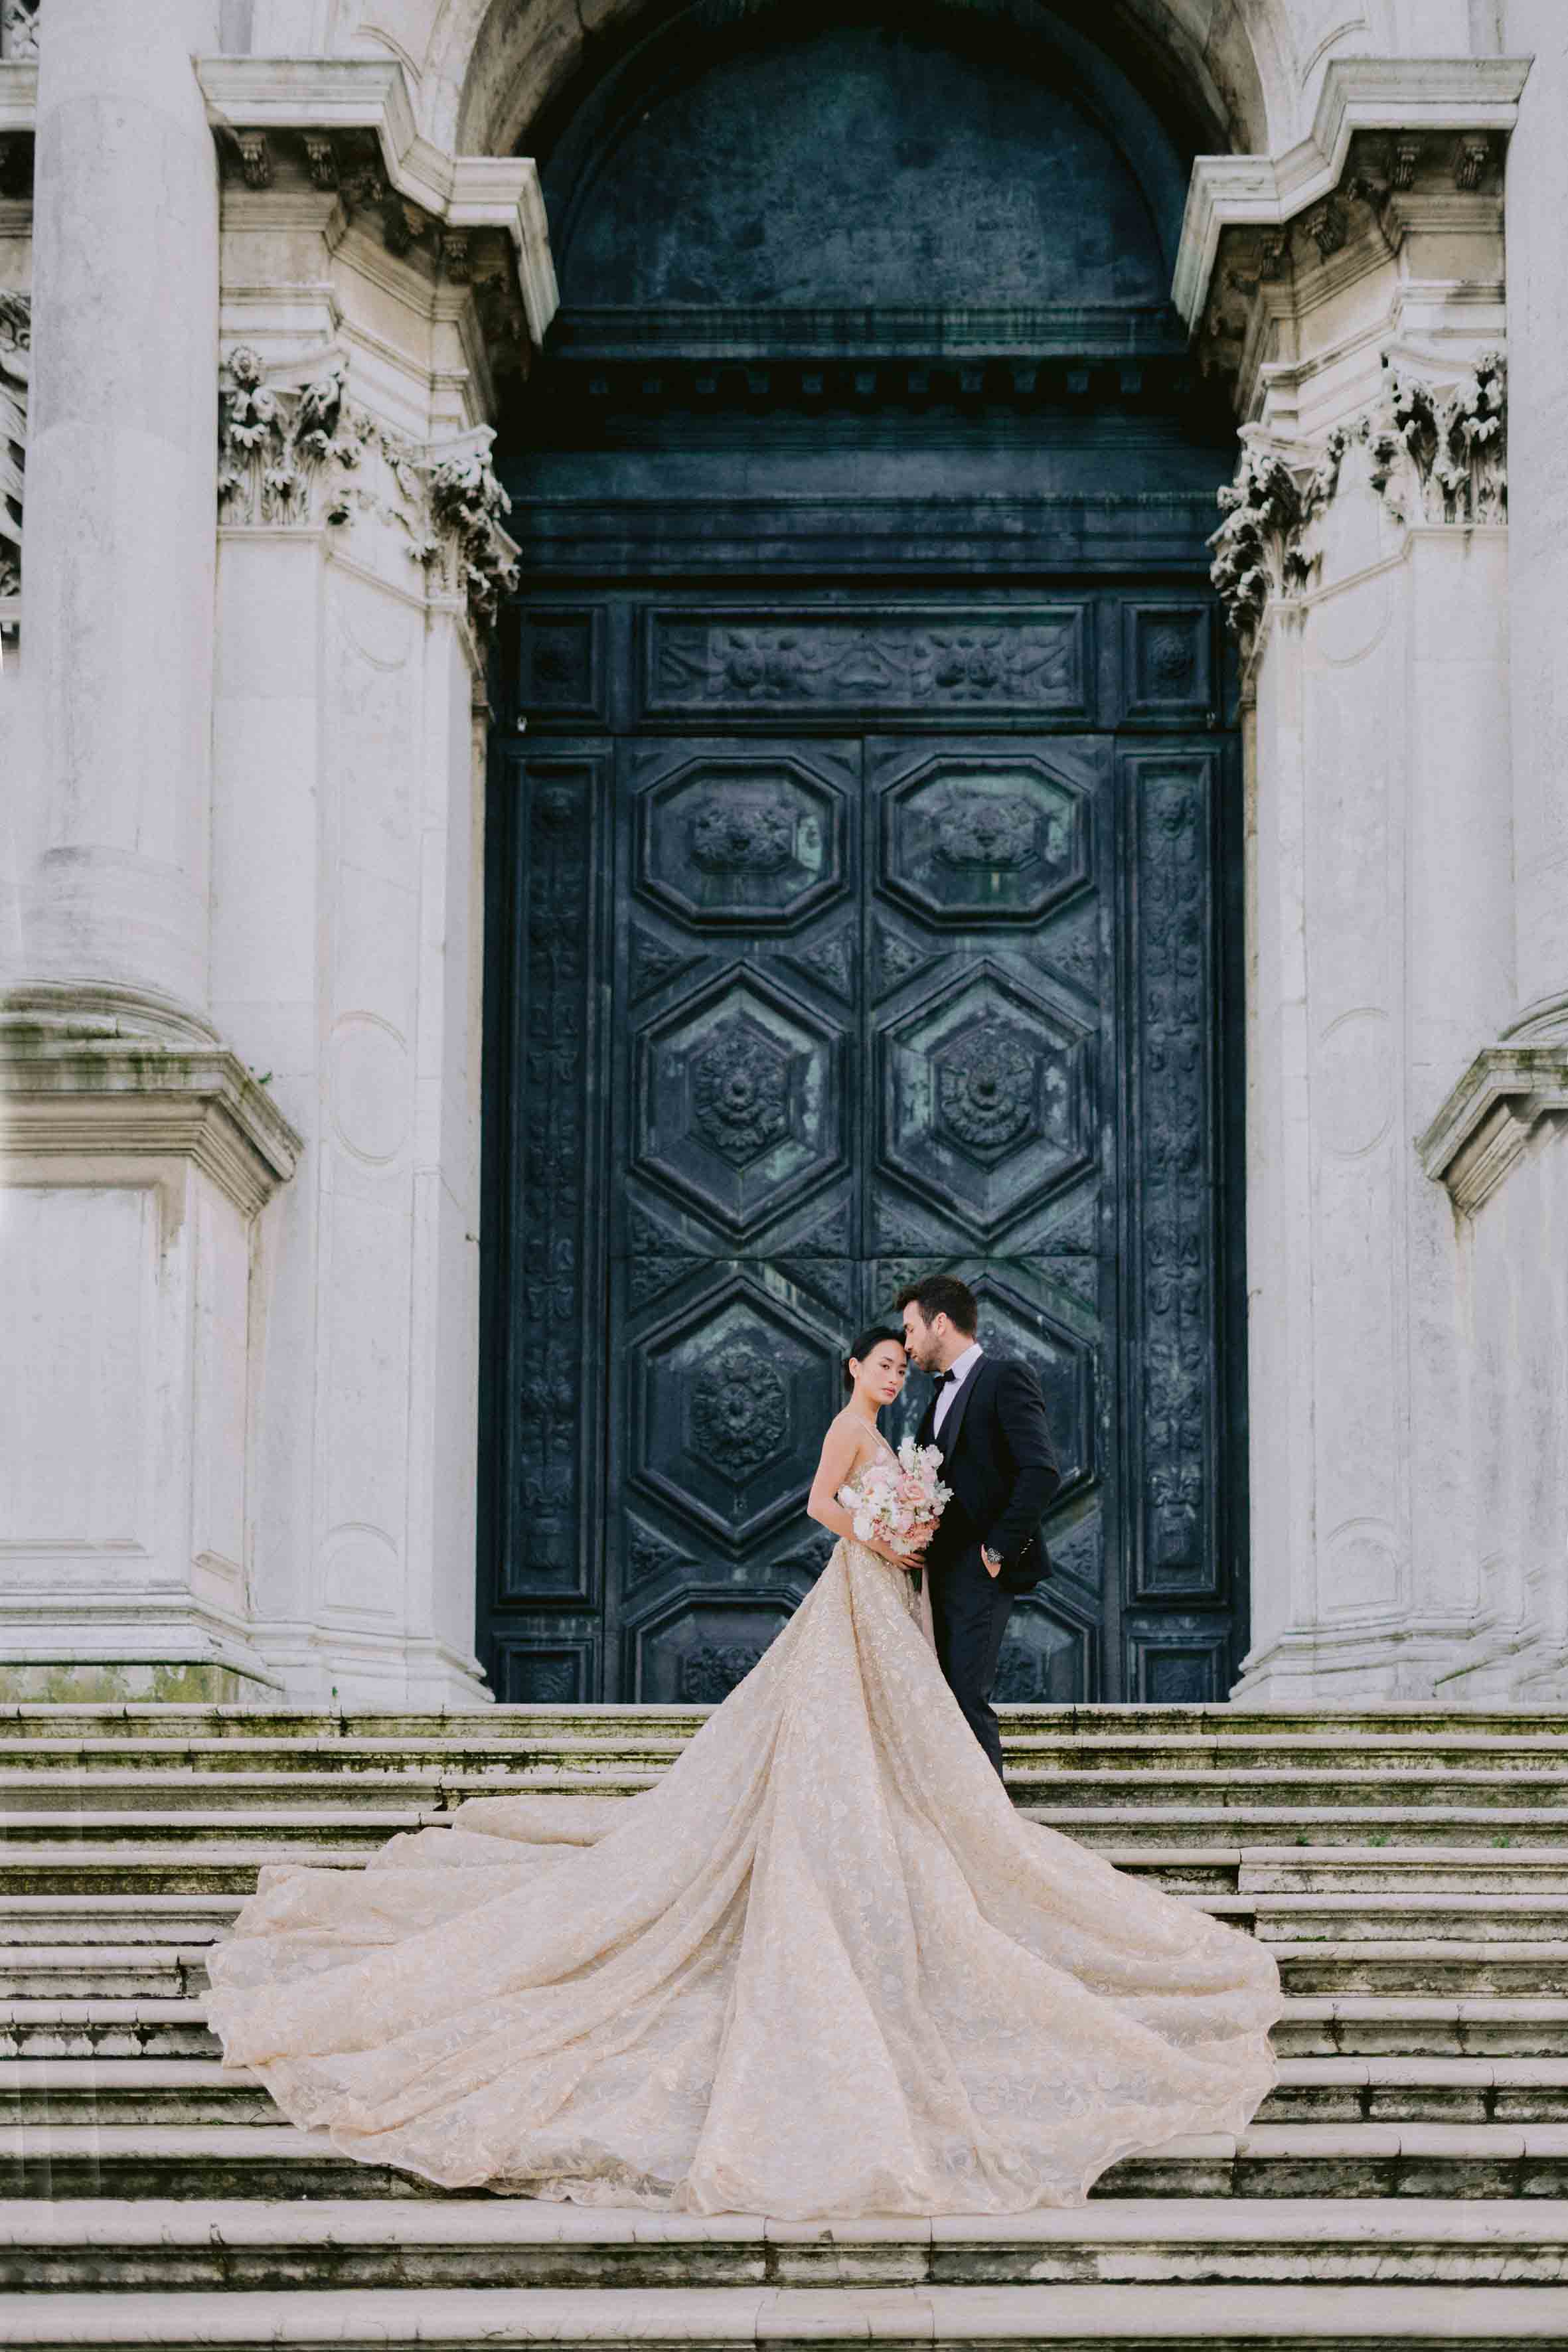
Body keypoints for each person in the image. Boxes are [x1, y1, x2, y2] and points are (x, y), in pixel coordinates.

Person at [205, 1321, 1281, 2217]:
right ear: (853, 1369)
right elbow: (817, 1506)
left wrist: (907, 1529)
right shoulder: (847, 1426)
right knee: (825, 1734)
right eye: (881, 1364)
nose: (892, 1375)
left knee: (882, 1733)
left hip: (884, 1590)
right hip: (859, 1584)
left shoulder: (890, 1427)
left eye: (900, 1366)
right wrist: (882, 1527)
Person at [896, 1275, 1058, 1778]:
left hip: (981, 1569)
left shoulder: (1005, 1376)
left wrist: (995, 1551)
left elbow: (1040, 1471)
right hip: (938, 1574)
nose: (906, 1345)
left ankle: (992, 1834)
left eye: (909, 1329)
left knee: (967, 1698)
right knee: (944, 1701)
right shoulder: (934, 1401)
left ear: (939, 1322)